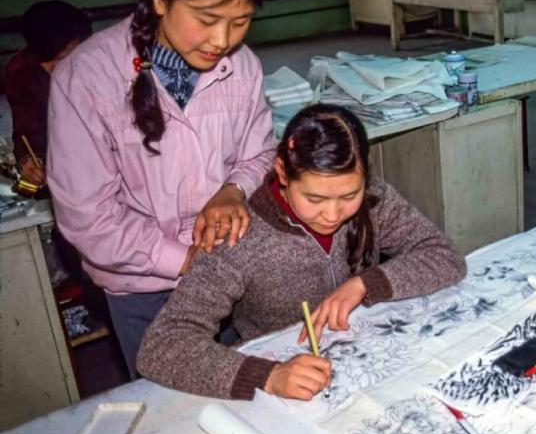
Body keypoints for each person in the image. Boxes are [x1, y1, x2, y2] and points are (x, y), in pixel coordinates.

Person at [47, 0, 276, 378]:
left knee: (249, 385)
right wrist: (184, 259)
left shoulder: (243, 66)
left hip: (233, 270)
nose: (223, 41)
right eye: (206, 19)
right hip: (146, 289)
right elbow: (88, 217)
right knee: (170, 405)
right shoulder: (87, 78)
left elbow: (258, 154)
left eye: (241, 21)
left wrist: (233, 190)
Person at [136, 104, 467, 401]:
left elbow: (444, 255)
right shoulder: (239, 237)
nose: (333, 214)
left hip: (369, 362)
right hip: (284, 378)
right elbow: (162, 344)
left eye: (348, 196)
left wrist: (365, 284)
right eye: (315, 199)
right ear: (282, 172)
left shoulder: (374, 198)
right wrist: (267, 376)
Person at [5, 0, 92, 188]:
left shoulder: (95, 60)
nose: (60, 72)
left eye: (68, 59)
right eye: (53, 65)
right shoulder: (22, 72)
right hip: (64, 165)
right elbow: (27, 127)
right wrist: (27, 161)